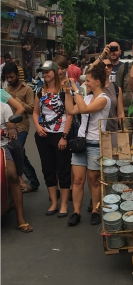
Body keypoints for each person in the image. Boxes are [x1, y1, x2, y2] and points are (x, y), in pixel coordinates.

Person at [65, 62, 111, 226]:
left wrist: (76, 91)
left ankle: (95, 210)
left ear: (97, 81)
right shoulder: (87, 97)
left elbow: (84, 109)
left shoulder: (104, 99)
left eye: (89, 80)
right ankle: (76, 212)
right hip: (81, 142)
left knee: (94, 180)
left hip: (95, 143)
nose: (86, 83)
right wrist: (67, 93)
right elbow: (71, 110)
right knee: (77, 179)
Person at [33, 61, 72, 217]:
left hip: (60, 134)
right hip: (43, 135)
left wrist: (64, 136)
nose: (45, 74)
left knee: (63, 169)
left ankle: (63, 204)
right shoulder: (39, 91)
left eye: (48, 71)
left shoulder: (64, 91)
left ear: (55, 72)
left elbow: (69, 114)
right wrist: (37, 126)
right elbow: (35, 112)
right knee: (47, 169)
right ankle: (54, 203)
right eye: (43, 72)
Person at [4, 62, 40, 193]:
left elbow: (31, 109)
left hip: (21, 126)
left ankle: (20, 180)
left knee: (15, 151)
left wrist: (17, 100)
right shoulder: (5, 90)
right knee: (19, 154)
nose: (9, 80)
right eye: (7, 78)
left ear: (17, 76)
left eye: (12, 77)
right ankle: (33, 181)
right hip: (8, 127)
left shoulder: (27, 89)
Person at [1, 91, 33, 232]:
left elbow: (11, 125)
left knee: (12, 175)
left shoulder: (4, 107)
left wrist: (12, 129)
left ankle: (20, 218)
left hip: (2, 146)